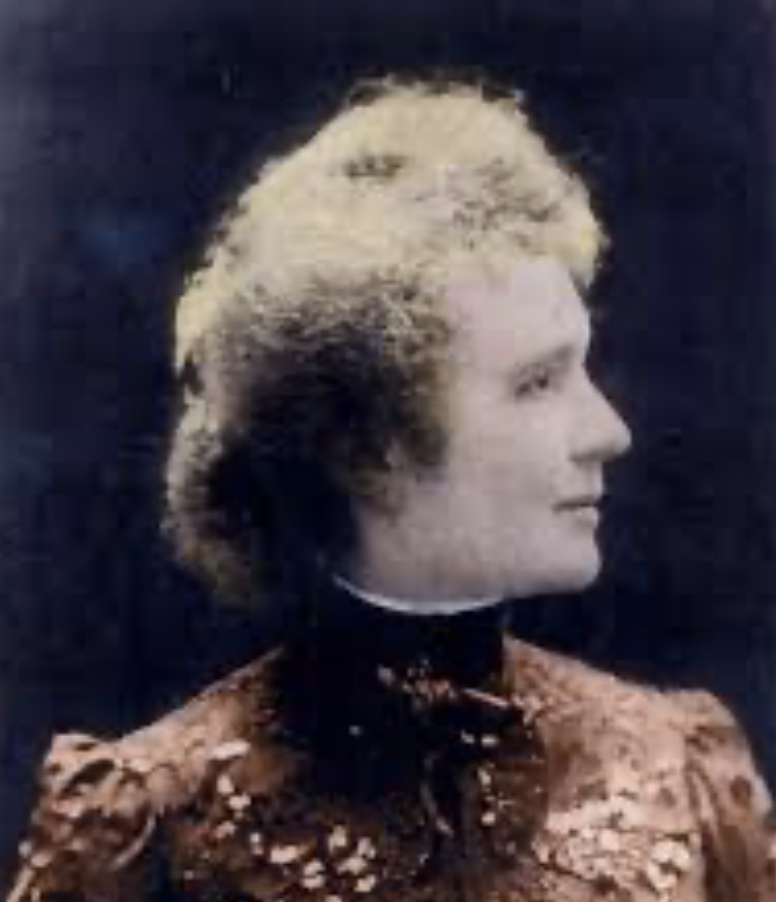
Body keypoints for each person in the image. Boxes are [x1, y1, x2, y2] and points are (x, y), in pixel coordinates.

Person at [6, 80, 774, 902]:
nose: (609, 430)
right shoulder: (154, 823)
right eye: (538, 383)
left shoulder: (677, 773)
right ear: (367, 443)